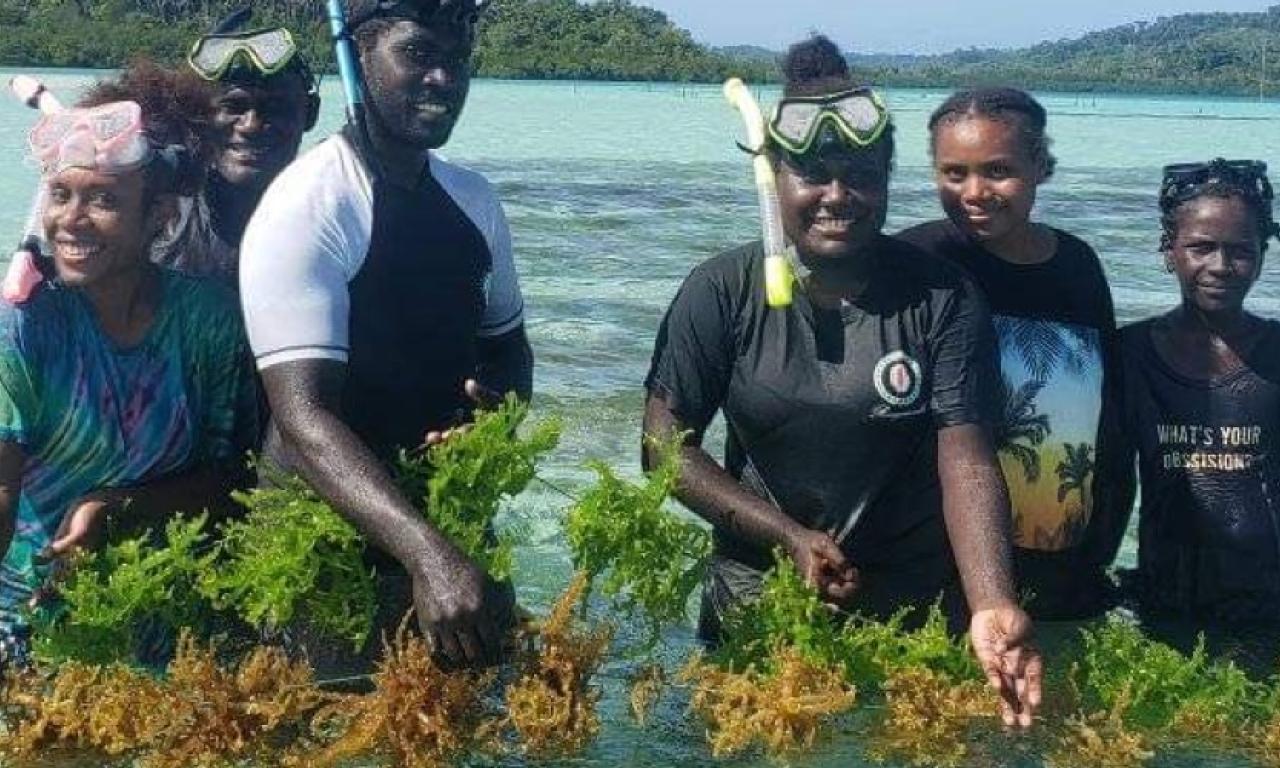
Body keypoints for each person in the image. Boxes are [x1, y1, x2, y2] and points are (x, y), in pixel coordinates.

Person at [643, 36, 1041, 727]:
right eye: (813, 174)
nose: (837, 196)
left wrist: (991, 602)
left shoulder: (942, 297)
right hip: (757, 603)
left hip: (911, 611)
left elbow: (968, 460)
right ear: (773, 178)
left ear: (888, 178)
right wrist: (785, 537)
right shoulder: (720, 291)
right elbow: (662, 446)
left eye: (859, 173)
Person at [238, 0, 531, 672]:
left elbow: (509, 348)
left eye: (455, 60)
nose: (442, 78)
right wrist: (426, 554)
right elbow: (303, 417)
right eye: (417, 54)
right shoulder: (308, 203)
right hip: (320, 543)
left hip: (446, 521)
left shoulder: (475, 202)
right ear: (361, 54)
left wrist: (500, 420)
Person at [0, 97, 259, 664]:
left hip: (169, 627)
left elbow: (232, 482)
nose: (70, 219)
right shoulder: (23, 325)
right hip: (29, 625)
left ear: (161, 216)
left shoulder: (208, 321)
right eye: (61, 194)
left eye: (104, 200)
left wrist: (115, 507)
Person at [899, 88, 1131, 620]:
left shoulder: (1077, 264)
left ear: (1040, 166)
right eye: (954, 173)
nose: (975, 192)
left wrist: (1101, 545)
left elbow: (1104, 417)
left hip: (1061, 556)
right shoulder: (916, 261)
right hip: (941, 560)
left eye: (998, 170)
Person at [1118, 159, 1280, 627]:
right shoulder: (1130, 355)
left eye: (1240, 251)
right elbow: (1107, 483)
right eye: (1201, 248)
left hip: (1267, 607)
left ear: (1263, 255)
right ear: (1170, 251)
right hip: (1164, 599)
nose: (1221, 266)